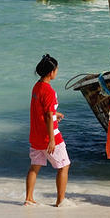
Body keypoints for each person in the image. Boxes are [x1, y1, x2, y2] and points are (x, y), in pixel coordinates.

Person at [24, 54, 70, 207]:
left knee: (34, 167)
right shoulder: (49, 91)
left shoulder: (37, 87)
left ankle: (29, 199)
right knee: (64, 166)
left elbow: (43, 111)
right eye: (56, 70)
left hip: (35, 135)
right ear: (51, 72)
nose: (57, 72)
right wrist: (51, 139)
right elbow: (49, 117)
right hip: (50, 136)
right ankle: (60, 201)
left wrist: (56, 113)